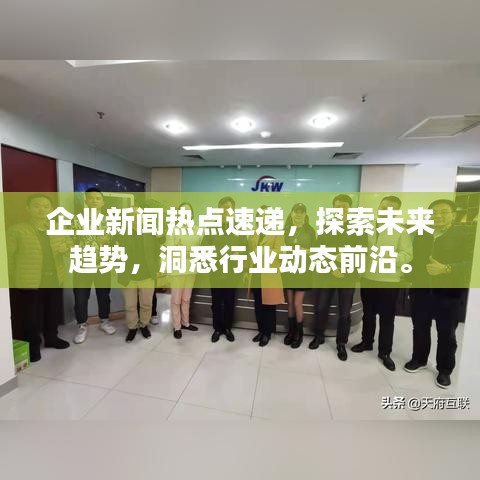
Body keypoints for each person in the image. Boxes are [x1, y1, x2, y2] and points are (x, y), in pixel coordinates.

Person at [404, 199, 474, 389]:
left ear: (453, 215)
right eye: (434, 213)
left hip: (449, 294)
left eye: (443, 212)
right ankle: (419, 359)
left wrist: (447, 268)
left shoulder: (465, 235)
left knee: (446, 333)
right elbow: (415, 260)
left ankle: (444, 370)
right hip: (421, 291)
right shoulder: (423, 234)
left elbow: (471, 263)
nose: (438, 216)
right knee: (420, 327)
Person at [6, 194, 71, 362]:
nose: (41, 210)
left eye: (46, 206)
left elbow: (70, 247)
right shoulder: (17, 230)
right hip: (29, 280)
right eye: (37, 206)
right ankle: (33, 346)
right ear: (28, 208)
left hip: (54, 278)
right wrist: (15, 276)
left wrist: (66, 249)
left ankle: (52, 339)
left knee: (53, 311)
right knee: (30, 316)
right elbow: (8, 258)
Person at [351, 196, 413, 371]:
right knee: (368, 314)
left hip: (389, 281)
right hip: (367, 277)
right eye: (384, 207)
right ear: (379, 207)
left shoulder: (401, 231)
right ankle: (366, 342)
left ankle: (385, 352)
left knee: (387, 317)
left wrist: (388, 256)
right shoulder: (367, 226)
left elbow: (408, 255)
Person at [309, 194, 362, 361]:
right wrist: (333, 265)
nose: (341, 210)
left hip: (347, 275)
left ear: (350, 208)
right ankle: (319, 336)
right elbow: (318, 248)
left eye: (344, 207)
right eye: (337, 207)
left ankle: (341, 343)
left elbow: (362, 251)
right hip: (328, 274)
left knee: (344, 312)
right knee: (321, 307)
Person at [73, 188, 115, 344]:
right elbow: (69, 240)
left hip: (103, 264)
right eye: (91, 198)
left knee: (104, 296)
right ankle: (82, 325)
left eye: (98, 198)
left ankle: (104, 321)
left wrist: (109, 241)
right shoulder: (76, 220)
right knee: (80, 298)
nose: (94, 201)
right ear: (86, 201)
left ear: (103, 202)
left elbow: (118, 241)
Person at [203, 196, 248, 343]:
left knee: (229, 301)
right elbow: (204, 247)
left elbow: (245, 248)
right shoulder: (212, 227)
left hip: (232, 271)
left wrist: (239, 253)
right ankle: (217, 328)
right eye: (223, 207)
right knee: (216, 302)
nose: (225, 210)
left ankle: (228, 328)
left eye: (228, 207)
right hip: (216, 270)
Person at [117, 200, 162, 343]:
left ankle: (144, 325)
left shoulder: (151, 231)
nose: (135, 217)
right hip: (128, 275)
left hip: (147, 274)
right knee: (130, 305)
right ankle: (132, 327)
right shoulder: (120, 232)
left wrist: (158, 269)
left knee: (146, 304)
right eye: (131, 214)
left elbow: (157, 250)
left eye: (138, 214)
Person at [247, 205, 285, 347]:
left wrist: (263, 253)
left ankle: (267, 333)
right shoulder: (254, 232)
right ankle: (261, 330)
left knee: (269, 304)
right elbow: (250, 252)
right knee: (258, 304)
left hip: (269, 273)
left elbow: (280, 251)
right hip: (256, 273)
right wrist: (247, 270)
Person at [165, 202, 203, 339]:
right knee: (176, 300)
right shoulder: (173, 230)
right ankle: (177, 326)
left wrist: (183, 250)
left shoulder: (198, 230)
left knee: (186, 298)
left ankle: (186, 323)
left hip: (192, 270)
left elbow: (201, 250)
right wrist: (188, 253)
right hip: (177, 270)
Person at [283, 203, 316, 349]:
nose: (298, 214)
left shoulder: (310, 230)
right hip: (288, 268)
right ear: (292, 213)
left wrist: (305, 251)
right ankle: (291, 331)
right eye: (296, 212)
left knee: (297, 303)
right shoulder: (286, 229)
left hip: (303, 270)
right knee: (289, 302)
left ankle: (299, 333)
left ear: (305, 214)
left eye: (301, 212)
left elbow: (316, 250)